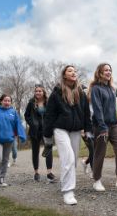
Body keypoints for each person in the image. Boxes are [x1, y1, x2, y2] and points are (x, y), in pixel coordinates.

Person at [43, 65, 92, 205]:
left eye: (75, 71)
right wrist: (47, 137)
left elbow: (86, 113)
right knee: (68, 158)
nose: (74, 73)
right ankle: (68, 191)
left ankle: (66, 183)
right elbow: (49, 115)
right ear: (64, 75)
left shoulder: (81, 93)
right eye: (70, 71)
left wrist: (87, 130)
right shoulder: (57, 93)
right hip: (60, 129)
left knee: (73, 161)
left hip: (76, 130)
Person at [90, 63, 117, 192]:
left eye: (110, 70)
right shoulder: (96, 89)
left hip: (114, 124)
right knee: (100, 153)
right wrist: (102, 126)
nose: (108, 72)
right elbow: (97, 109)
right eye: (105, 70)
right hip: (100, 126)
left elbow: (115, 107)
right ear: (100, 72)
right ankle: (97, 180)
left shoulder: (112, 89)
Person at [24, 84, 55, 182]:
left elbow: (53, 114)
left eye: (40, 91)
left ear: (43, 92)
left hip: (46, 129)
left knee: (48, 150)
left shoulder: (49, 102)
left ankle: (49, 173)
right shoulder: (31, 103)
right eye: (36, 91)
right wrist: (32, 124)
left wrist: (51, 124)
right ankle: (36, 172)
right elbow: (26, 115)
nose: (38, 92)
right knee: (35, 151)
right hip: (35, 130)